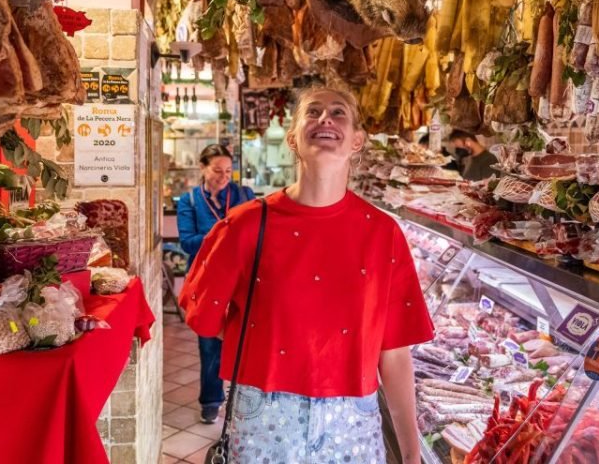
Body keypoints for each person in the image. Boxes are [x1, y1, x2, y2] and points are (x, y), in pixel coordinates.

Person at [179, 87, 433, 463]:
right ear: (294, 138)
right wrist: (270, 342)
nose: (325, 119)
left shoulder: (382, 234)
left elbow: (394, 353)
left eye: (338, 112)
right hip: (263, 414)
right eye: (312, 112)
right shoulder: (246, 224)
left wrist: (412, 453)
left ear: (357, 141)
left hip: (353, 419)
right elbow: (206, 315)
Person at [176, 144, 255, 424]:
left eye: (228, 171)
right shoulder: (189, 201)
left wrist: (214, 237)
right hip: (206, 282)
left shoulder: (244, 195)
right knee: (209, 341)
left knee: (245, 338)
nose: (223, 177)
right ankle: (211, 400)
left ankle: (243, 398)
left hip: (243, 279)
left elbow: (255, 235)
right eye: (217, 171)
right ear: (202, 168)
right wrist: (225, 234)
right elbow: (187, 243)